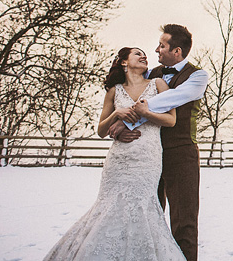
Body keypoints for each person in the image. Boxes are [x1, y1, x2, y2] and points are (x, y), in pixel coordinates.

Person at [44, 47, 186, 261]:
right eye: (137, 53)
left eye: (144, 54)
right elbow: (101, 130)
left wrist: (146, 113)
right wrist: (116, 115)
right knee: (110, 206)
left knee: (142, 206)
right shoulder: (114, 90)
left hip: (147, 158)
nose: (143, 56)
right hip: (118, 161)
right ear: (123, 62)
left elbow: (171, 120)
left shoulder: (157, 84)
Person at [108, 24, 208, 261]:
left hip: (181, 153)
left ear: (177, 51)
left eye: (162, 46)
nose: (156, 50)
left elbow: (171, 99)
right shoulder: (151, 74)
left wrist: (128, 120)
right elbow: (128, 92)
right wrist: (120, 127)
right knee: (147, 218)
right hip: (148, 153)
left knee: (184, 221)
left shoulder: (198, 76)